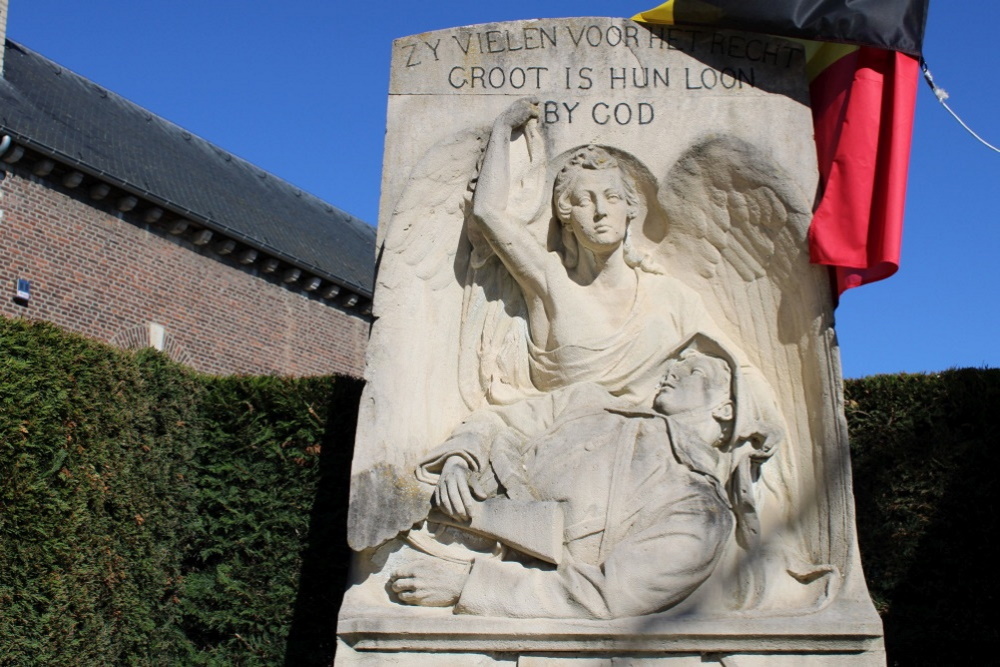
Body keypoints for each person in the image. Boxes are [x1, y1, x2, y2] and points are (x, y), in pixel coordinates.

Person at [390, 336, 781, 619]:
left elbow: (607, 595)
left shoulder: (701, 512)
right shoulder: (589, 400)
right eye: (676, 365)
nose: (673, 372)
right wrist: (460, 456)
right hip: (421, 525)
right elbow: (498, 421)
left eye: (693, 370)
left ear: (726, 409)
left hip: (450, 571)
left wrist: (468, 585)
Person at [472, 99, 715, 403]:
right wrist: (503, 129)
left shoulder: (672, 296)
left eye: (612, 197)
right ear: (566, 216)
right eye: (585, 201)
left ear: (630, 208)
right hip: (563, 436)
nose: (601, 211)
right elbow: (486, 212)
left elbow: (730, 368)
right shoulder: (550, 279)